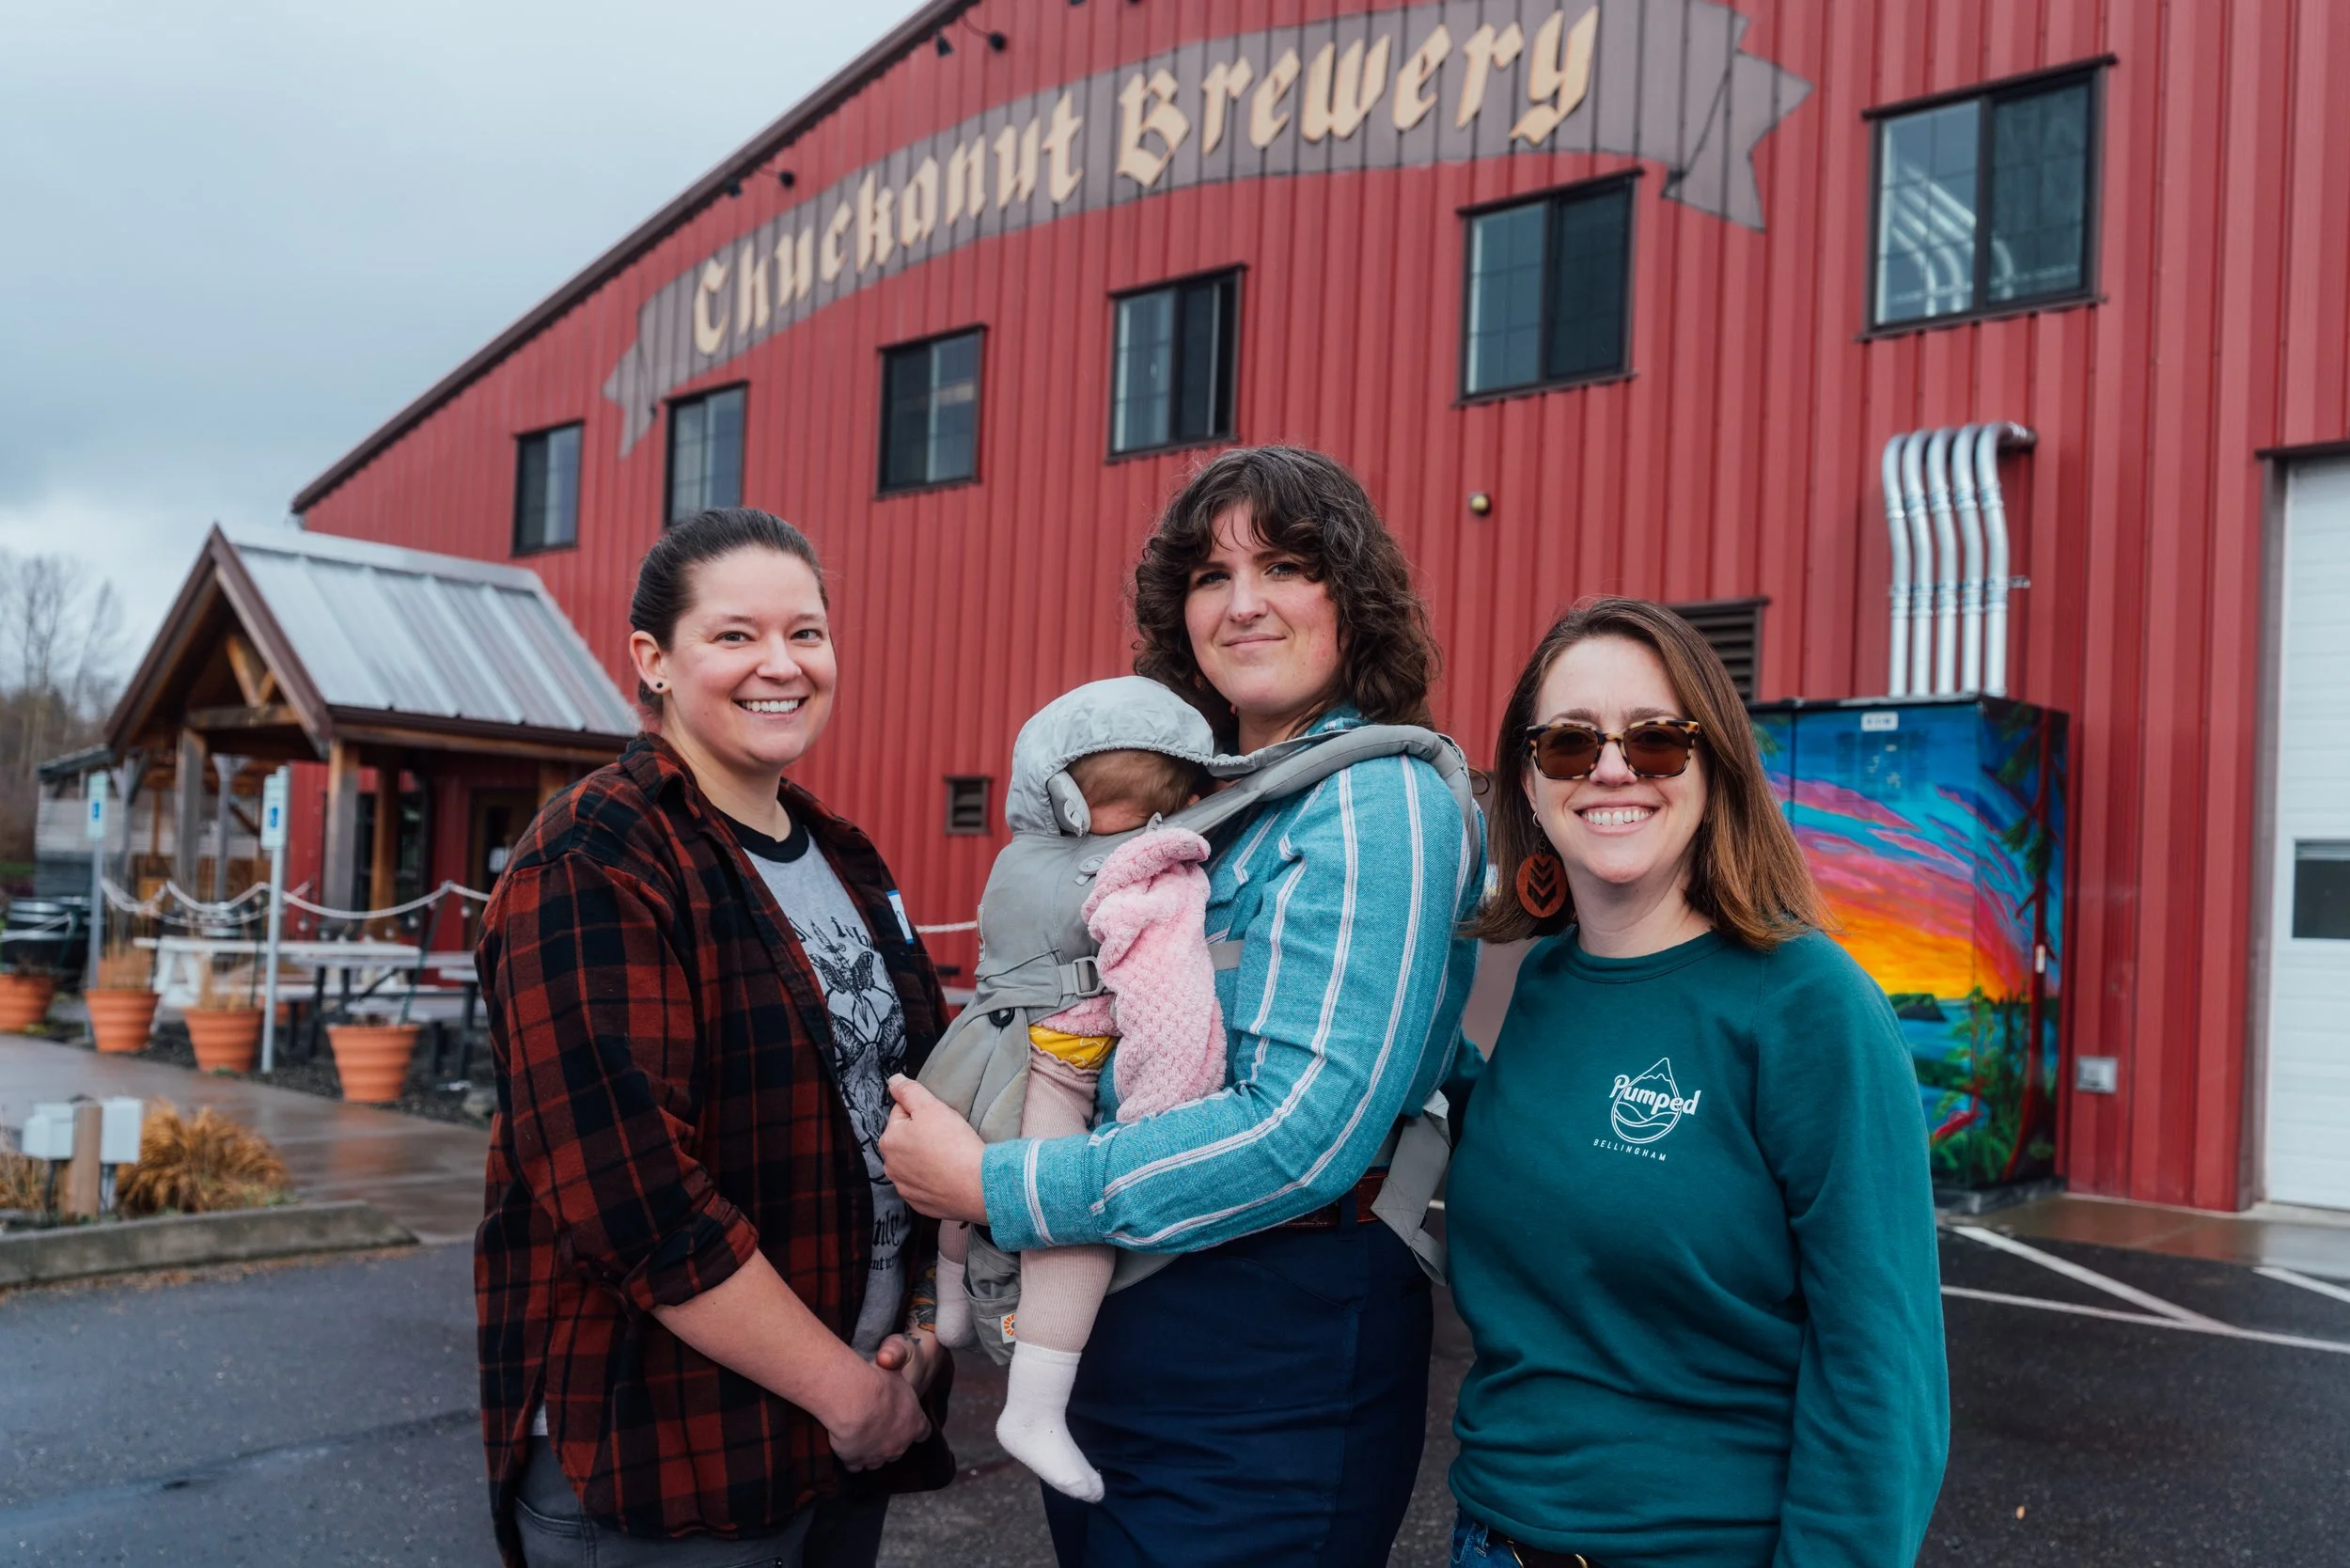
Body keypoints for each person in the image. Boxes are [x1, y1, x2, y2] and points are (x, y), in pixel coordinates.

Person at [883, 446, 1483, 1566]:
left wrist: (994, 1186)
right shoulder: (1211, 807)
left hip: (1266, 1351)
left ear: (1352, 601)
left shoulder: (1369, 803)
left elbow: (1302, 1133)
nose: (1243, 603)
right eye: (1212, 576)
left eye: (1287, 567)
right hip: (1144, 1325)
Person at [475, 508, 953, 1568]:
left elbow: (917, 1103)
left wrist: (922, 1333)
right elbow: (629, 1195)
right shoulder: (596, 855)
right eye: (735, 634)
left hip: (846, 1428)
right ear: (652, 659)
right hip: (668, 1457)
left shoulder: (846, 857)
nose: (780, 665)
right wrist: (850, 1396)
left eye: (807, 632)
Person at [1444, 597, 1948, 1568]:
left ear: (1713, 765)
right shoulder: (1547, 982)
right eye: (1568, 743)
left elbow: (1881, 1378)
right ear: (1528, 781)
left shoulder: (1808, 1005)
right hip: (1492, 1535)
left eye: (1656, 739)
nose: (1611, 768)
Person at [931, 679, 1229, 1503]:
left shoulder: (1016, 855)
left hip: (975, 1044)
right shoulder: (1147, 871)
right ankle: (1033, 1406)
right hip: (1058, 1061)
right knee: (1076, 1222)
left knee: (957, 1161)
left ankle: (949, 1306)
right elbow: (1169, 1003)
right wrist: (1161, 1110)